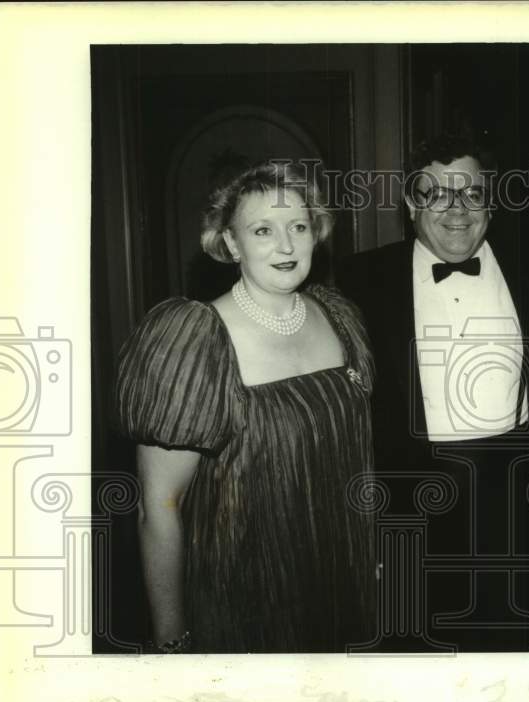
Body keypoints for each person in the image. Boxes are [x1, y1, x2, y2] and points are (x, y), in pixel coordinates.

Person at [114, 161, 377, 653]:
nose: (286, 245)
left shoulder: (341, 317)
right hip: (242, 604)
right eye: (263, 230)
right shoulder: (192, 340)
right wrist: (172, 640)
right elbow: (158, 506)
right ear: (231, 244)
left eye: (298, 226)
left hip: (341, 592)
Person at [337, 133, 529, 650]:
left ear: (489, 203)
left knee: (511, 657)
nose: (455, 209)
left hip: (516, 499)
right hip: (412, 509)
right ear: (410, 205)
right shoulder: (360, 280)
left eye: (470, 193)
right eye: (436, 194)